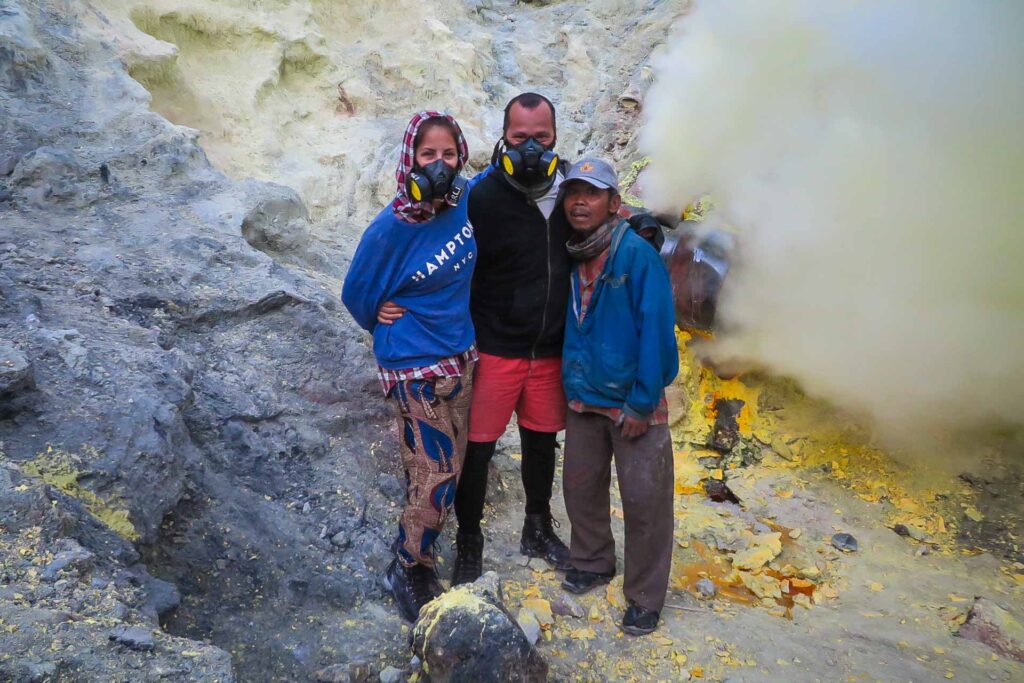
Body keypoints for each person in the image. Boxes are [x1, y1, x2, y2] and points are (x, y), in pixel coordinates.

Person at [378, 93, 574, 584]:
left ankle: (537, 526)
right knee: (478, 450)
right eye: (519, 138)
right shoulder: (477, 198)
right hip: (494, 347)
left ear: (556, 138)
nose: (531, 148)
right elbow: (424, 243)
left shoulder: (572, 191)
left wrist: (643, 220)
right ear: (502, 138)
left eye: (542, 139)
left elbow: (610, 209)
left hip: (549, 348)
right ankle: (470, 542)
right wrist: (387, 302)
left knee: (540, 441)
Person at [341, 111, 477, 622]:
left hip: (461, 356)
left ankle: (422, 530)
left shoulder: (467, 201)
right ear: (410, 161)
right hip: (413, 366)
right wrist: (378, 312)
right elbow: (355, 293)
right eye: (428, 155)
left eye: (447, 154)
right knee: (438, 469)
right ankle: (409, 564)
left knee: (449, 464)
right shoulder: (390, 228)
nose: (439, 166)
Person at [556, 157, 679, 636]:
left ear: (614, 202)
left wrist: (643, 402)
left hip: (632, 401)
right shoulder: (574, 250)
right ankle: (591, 561)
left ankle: (645, 596)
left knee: (645, 501)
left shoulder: (636, 255)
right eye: (573, 193)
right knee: (580, 486)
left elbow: (657, 333)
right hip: (586, 394)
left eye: (591, 193)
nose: (579, 202)